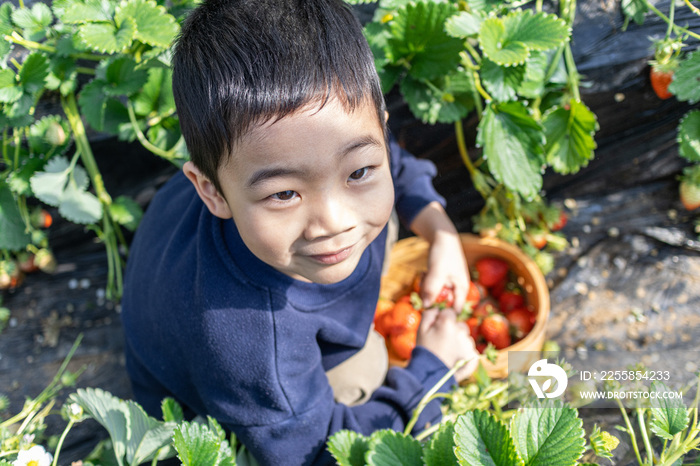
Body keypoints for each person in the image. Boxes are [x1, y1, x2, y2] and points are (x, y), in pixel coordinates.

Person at [120, 0, 478, 464]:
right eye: (284, 194)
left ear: (379, 129)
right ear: (212, 192)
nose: (334, 221)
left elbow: (394, 161)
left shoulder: (311, 140)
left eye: (359, 172)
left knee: (377, 215)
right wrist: (434, 370)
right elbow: (317, 454)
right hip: (229, 391)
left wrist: (441, 233)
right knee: (366, 369)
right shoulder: (249, 341)